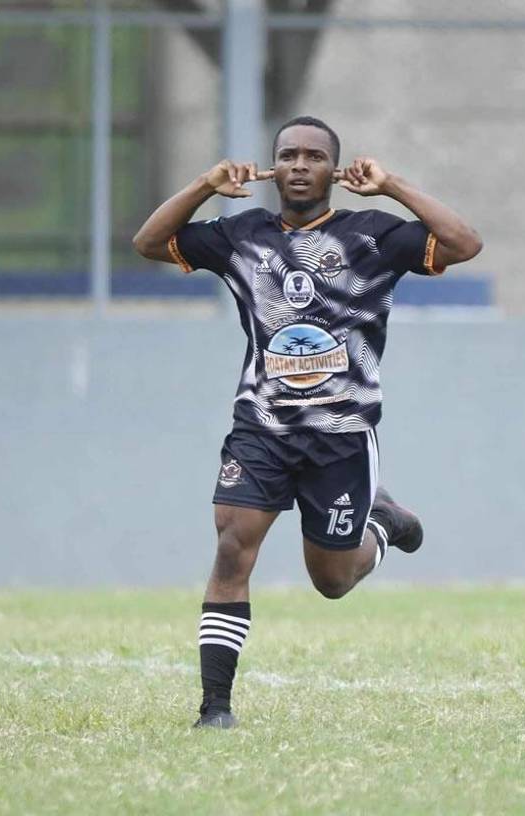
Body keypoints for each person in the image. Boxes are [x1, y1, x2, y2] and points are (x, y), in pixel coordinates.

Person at [133, 115, 482, 728]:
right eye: (288, 155)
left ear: (334, 171)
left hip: (341, 439)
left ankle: (382, 525)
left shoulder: (374, 235)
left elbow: (464, 244)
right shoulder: (240, 235)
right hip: (261, 428)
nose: (300, 165)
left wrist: (392, 185)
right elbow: (149, 243)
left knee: (332, 581)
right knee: (232, 550)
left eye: (314, 157)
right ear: (272, 168)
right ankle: (215, 710)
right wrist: (204, 185)